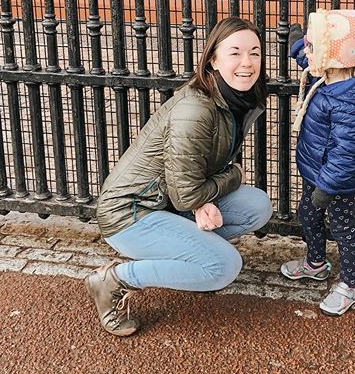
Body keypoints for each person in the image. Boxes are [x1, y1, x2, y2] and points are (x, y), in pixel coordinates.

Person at [86, 17, 273, 336]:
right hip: (132, 213)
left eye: (254, 53)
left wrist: (208, 196)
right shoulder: (197, 109)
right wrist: (233, 176)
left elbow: (193, 180)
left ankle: (189, 256)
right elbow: (187, 195)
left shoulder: (234, 99)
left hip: (167, 201)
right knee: (223, 267)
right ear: (213, 60)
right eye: (235, 53)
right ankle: (115, 279)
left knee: (257, 206)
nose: (247, 62)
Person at [280, 3, 355, 316]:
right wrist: (297, 43)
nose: (309, 50)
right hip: (316, 171)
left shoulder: (350, 100)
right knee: (307, 215)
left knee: (343, 228)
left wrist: (328, 187)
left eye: (313, 43)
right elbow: (310, 57)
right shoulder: (329, 70)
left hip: (337, 181)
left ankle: (349, 283)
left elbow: (347, 153)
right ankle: (316, 263)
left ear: (335, 53)